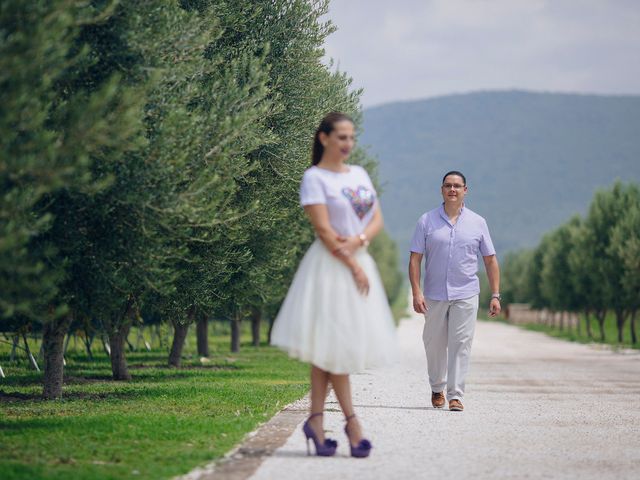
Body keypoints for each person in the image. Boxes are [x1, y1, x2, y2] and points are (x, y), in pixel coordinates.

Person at [271, 112, 397, 458]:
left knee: (329, 348)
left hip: (357, 259)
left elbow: (376, 219)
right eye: (341, 137)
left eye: (351, 138)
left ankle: (315, 420)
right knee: (335, 346)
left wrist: (358, 242)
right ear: (324, 138)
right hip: (330, 268)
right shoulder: (314, 178)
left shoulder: (359, 174)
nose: (348, 144)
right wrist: (352, 264)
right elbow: (324, 231)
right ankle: (353, 425)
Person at [408, 171, 501, 412]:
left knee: (461, 344)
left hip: (466, 293)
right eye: (448, 185)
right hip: (434, 294)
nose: (452, 190)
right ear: (441, 190)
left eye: (457, 186)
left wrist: (495, 295)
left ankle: (455, 395)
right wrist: (416, 292)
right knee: (434, 343)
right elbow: (415, 259)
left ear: (465, 190)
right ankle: (437, 387)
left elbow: (490, 260)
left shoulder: (478, 223)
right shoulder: (426, 221)